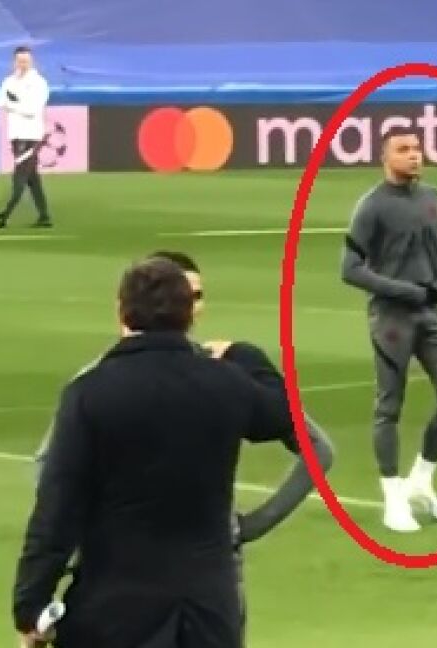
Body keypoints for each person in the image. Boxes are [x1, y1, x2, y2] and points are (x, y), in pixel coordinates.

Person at [31, 249, 336, 643]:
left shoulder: (100, 383)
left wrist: (254, 524)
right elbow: (50, 468)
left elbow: (317, 447)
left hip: (141, 582)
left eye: (198, 295)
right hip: (185, 579)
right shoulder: (225, 378)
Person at [340, 129, 437, 533]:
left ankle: (421, 481)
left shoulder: (435, 199)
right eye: (404, 150)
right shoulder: (372, 206)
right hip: (391, 318)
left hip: (433, 313)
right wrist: (405, 290)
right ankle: (393, 498)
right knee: (389, 406)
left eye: (417, 149)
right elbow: (350, 269)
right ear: (385, 158)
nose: (414, 155)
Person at [0, 44, 52, 229]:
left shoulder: (39, 83)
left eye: (26, 61)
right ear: (14, 61)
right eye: (20, 61)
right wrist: (13, 103)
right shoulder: (9, 81)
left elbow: (32, 110)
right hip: (16, 134)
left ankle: (4, 215)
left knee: (20, 176)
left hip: (31, 135)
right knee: (32, 178)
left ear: (32, 61)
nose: (22, 64)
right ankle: (44, 216)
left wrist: (11, 104)